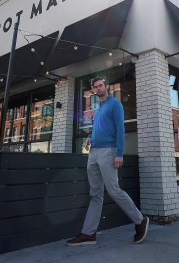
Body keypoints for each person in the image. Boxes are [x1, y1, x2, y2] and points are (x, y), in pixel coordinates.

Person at [66, 77, 149, 246]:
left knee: (113, 190)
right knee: (95, 193)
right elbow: (99, 128)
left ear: (106, 86)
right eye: (95, 87)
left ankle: (140, 220)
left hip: (108, 152)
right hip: (94, 152)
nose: (98, 88)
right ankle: (89, 233)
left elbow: (120, 128)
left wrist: (119, 153)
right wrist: (89, 137)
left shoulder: (115, 104)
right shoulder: (100, 107)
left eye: (100, 85)